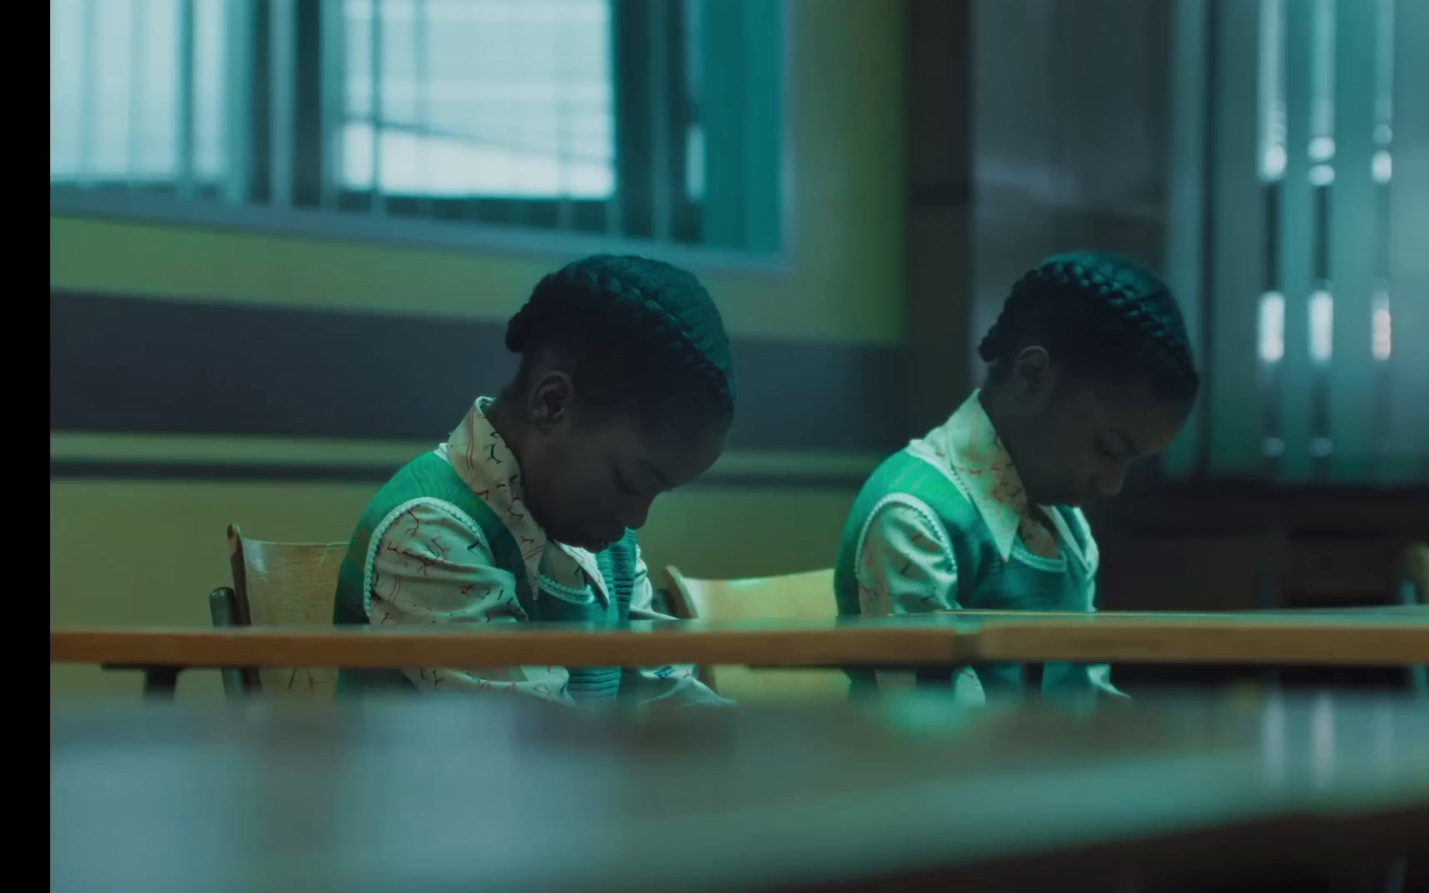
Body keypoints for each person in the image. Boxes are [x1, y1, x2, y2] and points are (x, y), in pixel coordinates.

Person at [332, 254, 735, 707]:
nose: (636, 517)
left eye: (656, 493)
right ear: (553, 403)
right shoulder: (428, 531)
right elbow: (536, 750)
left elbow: (668, 701)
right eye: (630, 480)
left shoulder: (603, 543)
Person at [834, 251, 1199, 705]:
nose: (1112, 484)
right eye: (1106, 448)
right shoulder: (914, 518)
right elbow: (932, 738)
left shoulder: (1065, 523)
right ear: (1033, 374)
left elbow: (1086, 700)